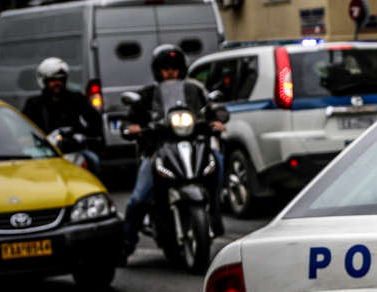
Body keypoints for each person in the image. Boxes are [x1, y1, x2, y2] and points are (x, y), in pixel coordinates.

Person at [122, 44, 225, 259]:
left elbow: (214, 109)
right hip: (157, 150)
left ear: (181, 69)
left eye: (174, 67)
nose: (170, 72)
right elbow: (130, 119)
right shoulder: (148, 94)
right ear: (157, 70)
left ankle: (215, 209)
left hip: (194, 146)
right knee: (139, 198)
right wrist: (131, 127)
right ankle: (126, 244)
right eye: (165, 68)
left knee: (217, 160)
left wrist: (217, 119)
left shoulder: (195, 89)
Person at [21, 57, 102, 174]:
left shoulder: (76, 99)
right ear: (44, 81)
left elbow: (95, 120)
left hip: (73, 151)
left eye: (61, 79)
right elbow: (24, 129)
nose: (57, 83)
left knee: (94, 161)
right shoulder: (34, 104)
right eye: (52, 80)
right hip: (44, 153)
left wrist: (81, 136)